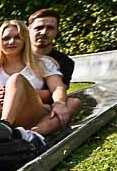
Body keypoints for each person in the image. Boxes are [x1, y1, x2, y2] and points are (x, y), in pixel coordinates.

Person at [24, 8, 82, 136]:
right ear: (28, 30)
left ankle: (33, 135)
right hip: (6, 104)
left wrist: (21, 94)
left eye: (50, 28)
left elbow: (54, 93)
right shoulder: (15, 54)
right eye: (38, 28)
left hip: (42, 108)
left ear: (56, 31)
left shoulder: (64, 62)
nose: (44, 32)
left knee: (72, 102)